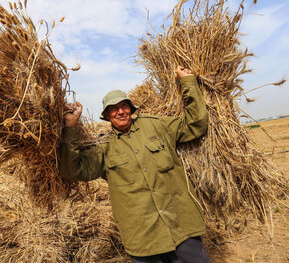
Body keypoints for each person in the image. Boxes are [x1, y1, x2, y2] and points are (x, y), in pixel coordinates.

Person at [59, 66, 211, 263]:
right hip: (143, 239)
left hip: (181, 227)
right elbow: (71, 170)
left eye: (124, 106)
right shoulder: (104, 146)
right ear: (106, 115)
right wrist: (70, 128)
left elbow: (196, 124)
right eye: (113, 109)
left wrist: (188, 82)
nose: (120, 111)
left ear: (131, 109)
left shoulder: (156, 125)